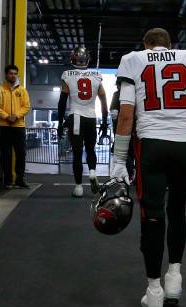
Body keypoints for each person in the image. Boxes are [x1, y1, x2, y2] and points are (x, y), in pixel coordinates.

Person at [112, 28, 186, 307]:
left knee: (152, 215)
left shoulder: (133, 60)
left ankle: (154, 291)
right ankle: (174, 277)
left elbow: (126, 114)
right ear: (169, 45)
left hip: (152, 145)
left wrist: (118, 159)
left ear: (146, 45)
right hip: (185, 145)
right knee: (178, 211)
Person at [57, 46, 109, 197]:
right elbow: (104, 99)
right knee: (91, 149)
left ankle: (79, 187)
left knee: (77, 153)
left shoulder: (68, 75)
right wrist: (104, 121)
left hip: (75, 116)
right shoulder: (96, 75)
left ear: (73, 58)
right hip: (91, 117)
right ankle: (92, 172)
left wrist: (60, 123)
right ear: (87, 58)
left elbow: (62, 102)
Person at [0, 64, 31, 189]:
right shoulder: (0, 89)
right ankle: (7, 180)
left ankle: (19, 179)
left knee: (21, 154)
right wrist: (7, 116)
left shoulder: (22, 90)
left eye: (15, 73)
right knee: (6, 154)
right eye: (11, 73)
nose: (13, 75)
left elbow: (26, 106)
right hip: (4, 126)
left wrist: (16, 116)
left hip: (18, 126)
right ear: (6, 74)